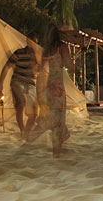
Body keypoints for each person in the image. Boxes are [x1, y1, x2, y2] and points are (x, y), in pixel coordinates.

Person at [26, 26, 74, 158]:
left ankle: (28, 142)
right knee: (58, 120)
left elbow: (40, 70)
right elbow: (70, 66)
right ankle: (56, 153)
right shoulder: (62, 47)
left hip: (48, 88)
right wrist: (75, 64)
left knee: (48, 117)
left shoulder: (46, 51)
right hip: (58, 89)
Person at [0, 32, 42, 140]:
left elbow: (41, 72)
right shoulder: (19, 52)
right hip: (18, 81)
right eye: (30, 42)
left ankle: (26, 132)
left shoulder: (38, 56)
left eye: (34, 43)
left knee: (34, 112)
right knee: (21, 103)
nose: (32, 44)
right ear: (26, 41)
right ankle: (22, 130)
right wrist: (0, 83)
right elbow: (7, 66)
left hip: (31, 83)